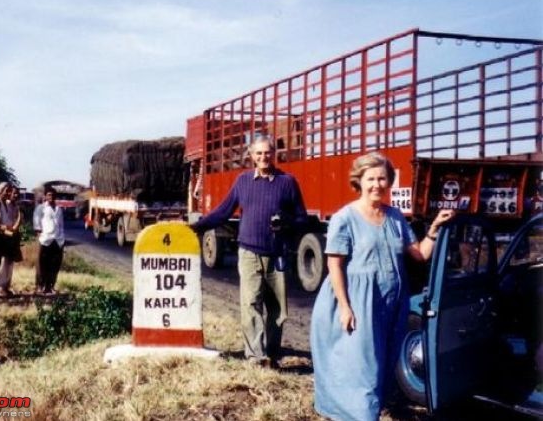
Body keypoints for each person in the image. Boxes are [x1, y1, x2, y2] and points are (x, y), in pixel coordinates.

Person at [310, 152, 455, 420]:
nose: (377, 184)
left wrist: (434, 229)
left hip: (392, 302)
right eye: (371, 179)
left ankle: (369, 410)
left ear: (389, 182)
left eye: (382, 178)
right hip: (358, 301)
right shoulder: (345, 218)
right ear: (359, 181)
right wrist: (345, 307)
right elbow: (335, 266)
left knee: (384, 363)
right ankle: (358, 414)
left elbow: (419, 254)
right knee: (363, 366)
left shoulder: (396, 216)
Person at [192, 135, 307, 367]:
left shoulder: (287, 182)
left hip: (277, 256)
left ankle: (272, 355)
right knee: (250, 304)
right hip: (249, 254)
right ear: (251, 155)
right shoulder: (243, 181)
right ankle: (256, 356)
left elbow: (302, 219)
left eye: (267, 153)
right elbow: (223, 211)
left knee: (277, 310)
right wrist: (197, 226)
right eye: (259, 153)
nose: (263, 157)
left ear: (274, 154)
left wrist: (287, 221)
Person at [0, 182, 23, 298]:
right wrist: (7, 230)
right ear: (0, 191)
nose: (8, 193)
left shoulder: (7, 204)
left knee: (5, 265)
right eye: (6, 191)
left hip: (7, 237)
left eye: (9, 191)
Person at [32, 187, 65, 295]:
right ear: (45, 196)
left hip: (57, 239)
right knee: (42, 264)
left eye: (53, 195)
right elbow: (36, 224)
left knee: (54, 264)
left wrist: (62, 237)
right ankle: (41, 286)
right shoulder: (41, 208)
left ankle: (50, 286)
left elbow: (61, 225)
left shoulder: (59, 209)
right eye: (49, 195)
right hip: (45, 239)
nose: (51, 197)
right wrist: (40, 235)